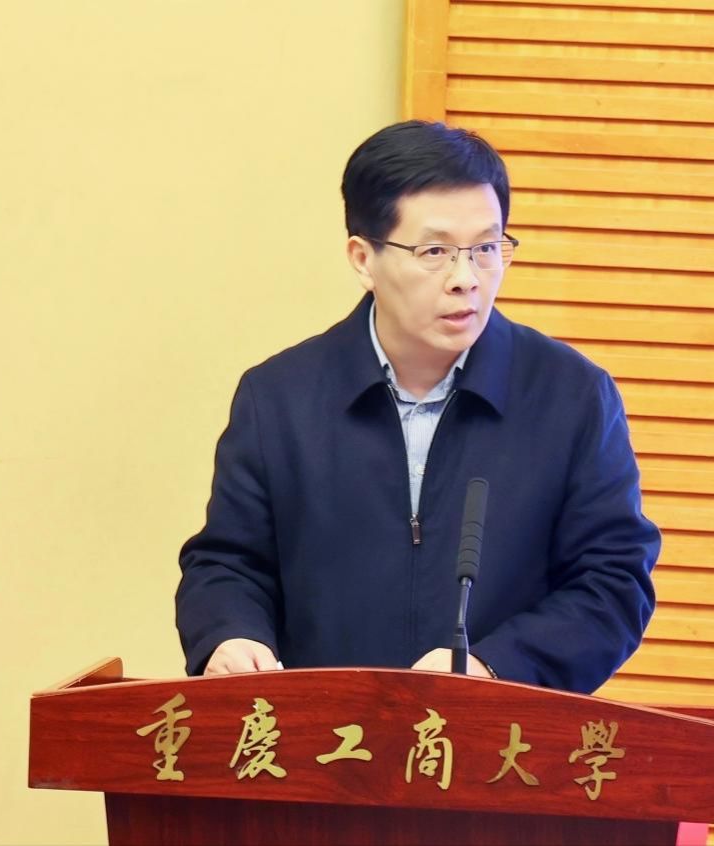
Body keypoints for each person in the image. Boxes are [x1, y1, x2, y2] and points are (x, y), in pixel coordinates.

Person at [175, 120, 659, 694]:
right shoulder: (280, 397)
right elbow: (227, 564)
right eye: (435, 252)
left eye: (486, 249)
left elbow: (612, 583)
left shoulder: (571, 396)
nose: (465, 279)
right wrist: (230, 635)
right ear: (363, 258)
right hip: (326, 733)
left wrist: (494, 666)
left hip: (499, 734)